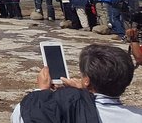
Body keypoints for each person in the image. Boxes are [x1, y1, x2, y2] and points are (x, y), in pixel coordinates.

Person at [11, 44, 142, 122]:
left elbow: (20, 116)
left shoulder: (72, 111)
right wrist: (85, 92)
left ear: (87, 80)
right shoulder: (137, 116)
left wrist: (43, 93)